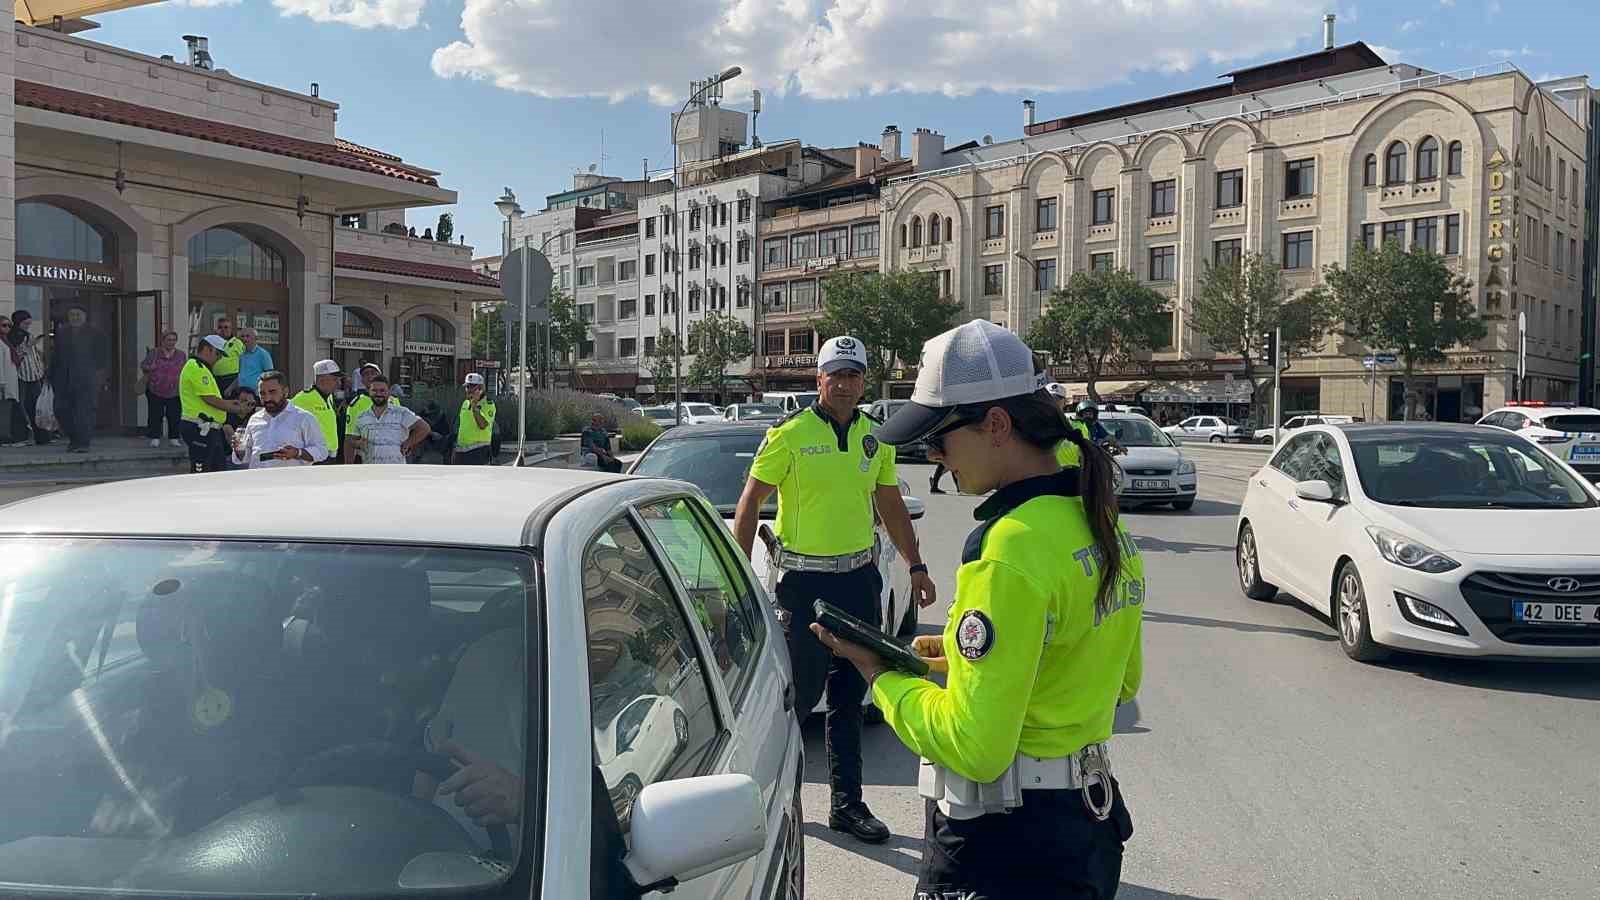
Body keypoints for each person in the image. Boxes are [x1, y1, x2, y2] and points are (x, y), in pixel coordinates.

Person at [812, 319, 1144, 899]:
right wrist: (957, 664)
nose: (935, 454)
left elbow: (975, 747)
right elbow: (1118, 680)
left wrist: (879, 673)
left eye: (941, 435)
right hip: (1084, 830)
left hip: (1001, 845)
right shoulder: (1096, 518)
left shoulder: (1008, 548)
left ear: (996, 424)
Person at [731, 335, 935, 845]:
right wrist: (738, 570)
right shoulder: (790, 433)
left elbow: (889, 504)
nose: (844, 384)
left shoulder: (876, 436)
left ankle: (848, 805)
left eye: (854, 375)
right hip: (804, 585)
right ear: (818, 379)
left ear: (864, 381)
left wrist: (915, 565)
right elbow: (751, 501)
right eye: (835, 375)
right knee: (796, 702)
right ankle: (782, 801)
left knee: (851, 698)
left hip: (860, 581)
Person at [229, 370, 328, 468]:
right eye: (262, 393)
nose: (267, 398)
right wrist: (239, 450)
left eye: (272, 392)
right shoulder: (254, 419)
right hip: (259, 481)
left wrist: (298, 453)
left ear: (285, 391)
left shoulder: (303, 418)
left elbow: (321, 451)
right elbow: (246, 457)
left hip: (291, 481)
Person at [178, 335, 243, 473]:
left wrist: (231, 403)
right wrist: (237, 408)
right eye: (218, 354)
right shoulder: (196, 367)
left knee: (216, 471)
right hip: (199, 428)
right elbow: (210, 399)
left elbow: (211, 398)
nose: (219, 358)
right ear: (207, 349)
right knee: (201, 473)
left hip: (208, 429)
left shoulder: (202, 368)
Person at [49, 306, 106, 453]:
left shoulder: (95, 333)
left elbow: (103, 358)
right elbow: (56, 356)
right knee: (61, 410)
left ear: (85, 316)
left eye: (78, 314)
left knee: (84, 412)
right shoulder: (62, 332)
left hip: (86, 379)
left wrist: (99, 378)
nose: (74, 317)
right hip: (63, 380)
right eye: (71, 314)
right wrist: (50, 375)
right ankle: (74, 439)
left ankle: (83, 443)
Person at [345, 373, 429, 464]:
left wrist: (409, 443)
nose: (378, 394)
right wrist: (358, 444)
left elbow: (424, 428)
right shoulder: (362, 417)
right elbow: (351, 440)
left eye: (382, 390)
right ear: (369, 392)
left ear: (389, 392)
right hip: (371, 471)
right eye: (374, 390)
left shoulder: (401, 413)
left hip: (395, 471)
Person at [139, 330, 186, 448]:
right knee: (155, 414)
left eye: (173, 340)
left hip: (174, 390)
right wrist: (151, 367)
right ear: (163, 340)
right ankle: (155, 437)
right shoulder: (154, 353)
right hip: (155, 388)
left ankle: (174, 438)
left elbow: (185, 369)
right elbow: (143, 365)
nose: (171, 343)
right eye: (169, 340)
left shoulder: (181, 354)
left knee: (174, 414)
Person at [8, 310, 48, 444]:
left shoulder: (28, 335)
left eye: (29, 323)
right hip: (21, 375)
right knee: (21, 406)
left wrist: (40, 370)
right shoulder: (13, 336)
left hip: (34, 375)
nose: (27, 326)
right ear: (18, 322)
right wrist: (26, 346)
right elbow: (14, 357)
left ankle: (41, 436)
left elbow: (35, 356)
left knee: (37, 406)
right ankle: (22, 435)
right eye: (25, 323)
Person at [293, 359, 342, 465]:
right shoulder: (303, 398)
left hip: (331, 455)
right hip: (315, 456)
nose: (339, 383)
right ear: (322, 380)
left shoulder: (329, 397)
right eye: (335, 379)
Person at [454, 373, 498, 465]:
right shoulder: (465, 403)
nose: (468, 390)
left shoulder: (488, 404)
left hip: (478, 451)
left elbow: (483, 425)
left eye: (471, 387)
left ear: (480, 389)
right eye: (467, 387)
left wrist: (475, 407)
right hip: (461, 451)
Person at [0, 315, 24, 446]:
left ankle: (7, 436)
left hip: (10, 379)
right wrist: (2, 383)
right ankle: (4, 437)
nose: (7, 328)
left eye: (9, 325)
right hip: (4, 382)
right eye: (4, 325)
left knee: (8, 410)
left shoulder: (6, 341)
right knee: (4, 411)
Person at [233, 327, 274, 396]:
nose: (244, 339)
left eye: (247, 336)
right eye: (242, 336)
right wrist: (230, 388)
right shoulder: (242, 355)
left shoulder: (263, 354)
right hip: (242, 393)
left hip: (256, 394)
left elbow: (270, 375)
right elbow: (241, 375)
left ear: (255, 338)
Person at [210, 317, 244, 395]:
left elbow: (244, 365)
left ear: (231, 329)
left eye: (226, 327)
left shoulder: (237, 343)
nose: (223, 330)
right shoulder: (212, 343)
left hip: (231, 380)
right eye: (220, 327)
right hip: (215, 379)